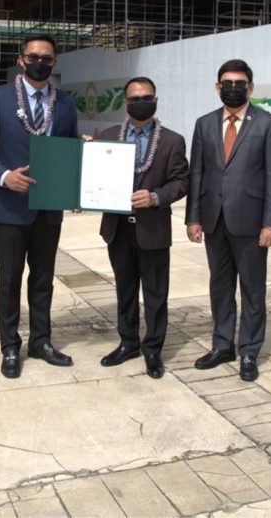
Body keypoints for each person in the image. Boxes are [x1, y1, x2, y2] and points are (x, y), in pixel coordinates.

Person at [0, 34, 80, 378]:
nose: (39, 62)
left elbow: (68, 147)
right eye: (33, 56)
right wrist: (4, 176)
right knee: (10, 279)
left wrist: (78, 174)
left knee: (43, 278)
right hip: (10, 206)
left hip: (49, 205)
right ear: (21, 60)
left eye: (46, 58)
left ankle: (41, 341)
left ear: (54, 62)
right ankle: (9, 346)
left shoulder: (65, 102)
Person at [186, 59, 271, 382]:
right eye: (227, 83)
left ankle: (249, 351)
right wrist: (193, 218)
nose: (233, 88)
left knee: (252, 290)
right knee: (220, 287)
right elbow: (197, 173)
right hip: (214, 220)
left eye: (239, 83)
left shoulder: (268, 125)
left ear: (250, 87)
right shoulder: (204, 124)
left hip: (252, 223)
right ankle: (222, 345)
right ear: (217, 87)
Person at [98, 77, 189, 379]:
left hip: (153, 229)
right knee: (125, 290)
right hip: (117, 227)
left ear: (156, 101)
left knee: (155, 293)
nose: (141, 103)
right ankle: (128, 343)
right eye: (135, 98)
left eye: (146, 98)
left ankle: (153, 348)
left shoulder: (172, 141)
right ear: (126, 103)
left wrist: (156, 197)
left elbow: (181, 182)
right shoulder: (109, 136)